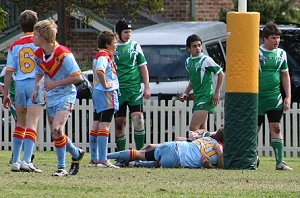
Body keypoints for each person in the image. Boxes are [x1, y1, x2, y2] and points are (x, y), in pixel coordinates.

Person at [32, 19, 84, 176]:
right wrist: (36, 88)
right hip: (50, 96)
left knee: (56, 129)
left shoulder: (64, 54)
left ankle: (61, 168)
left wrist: (56, 83)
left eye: (35, 35)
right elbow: (40, 73)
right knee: (56, 133)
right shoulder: (38, 54)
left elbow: (78, 77)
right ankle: (76, 153)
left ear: (44, 37)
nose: (33, 37)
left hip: (66, 95)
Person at [3, 10, 43, 173]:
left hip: (19, 85)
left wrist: (6, 94)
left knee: (20, 123)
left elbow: (9, 71)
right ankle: (27, 161)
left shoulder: (14, 45)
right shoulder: (39, 42)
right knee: (32, 123)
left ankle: (15, 161)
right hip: (35, 84)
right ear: (36, 24)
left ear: (20, 26)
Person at [258, 22, 292, 171]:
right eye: (273, 38)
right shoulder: (256, 52)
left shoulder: (281, 54)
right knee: (254, 130)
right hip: (257, 98)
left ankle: (280, 162)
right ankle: (250, 160)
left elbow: (285, 75)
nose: (276, 41)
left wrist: (288, 97)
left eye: (278, 38)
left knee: (276, 128)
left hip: (274, 98)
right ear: (264, 38)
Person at [114, 19, 151, 152]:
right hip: (118, 90)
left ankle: (140, 154)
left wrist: (146, 87)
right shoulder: (113, 47)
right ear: (118, 32)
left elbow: (143, 67)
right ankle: (121, 156)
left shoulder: (135, 46)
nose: (128, 34)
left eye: (130, 31)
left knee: (138, 119)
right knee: (120, 123)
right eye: (125, 32)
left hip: (134, 89)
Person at [179, 34, 224, 131]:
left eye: (199, 45)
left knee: (193, 128)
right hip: (198, 97)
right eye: (194, 46)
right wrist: (186, 92)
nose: (198, 48)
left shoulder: (206, 60)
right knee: (202, 130)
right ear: (188, 49)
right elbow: (193, 80)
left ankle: (201, 146)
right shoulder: (188, 61)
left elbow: (220, 73)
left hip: (206, 97)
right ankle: (209, 146)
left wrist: (217, 92)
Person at [88, 31, 119, 168]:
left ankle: (94, 158)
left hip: (98, 92)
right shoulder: (103, 55)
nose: (116, 45)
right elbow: (100, 70)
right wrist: (106, 84)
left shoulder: (100, 55)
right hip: (107, 93)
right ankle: (103, 159)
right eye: (115, 42)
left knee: (96, 124)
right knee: (105, 125)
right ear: (107, 44)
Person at [107, 136, 223, 169]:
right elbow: (221, 167)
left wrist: (158, 145)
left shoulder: (209, 137)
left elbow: (181, 138)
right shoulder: (220, 148)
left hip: (172, 146)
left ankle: (103, 156)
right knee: (159, 163)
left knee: (139, 154)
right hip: (176, 159)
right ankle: (130, 164)